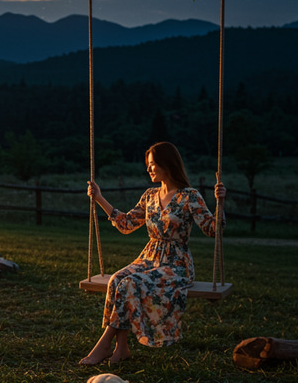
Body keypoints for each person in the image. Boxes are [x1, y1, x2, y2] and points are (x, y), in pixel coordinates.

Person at [80, 142, 226, 365]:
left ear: (167, 164)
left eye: (152, 164)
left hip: (176, 263)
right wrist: (98, 197)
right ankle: (121, 348)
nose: (148, 169)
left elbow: (212, 229)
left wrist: (220, 204)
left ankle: (103, 345)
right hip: (149, 257)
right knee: (118, 279)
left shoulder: (189, 196)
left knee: (130, 282)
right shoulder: (149, 195)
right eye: (148, 165)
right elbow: (127, 223)